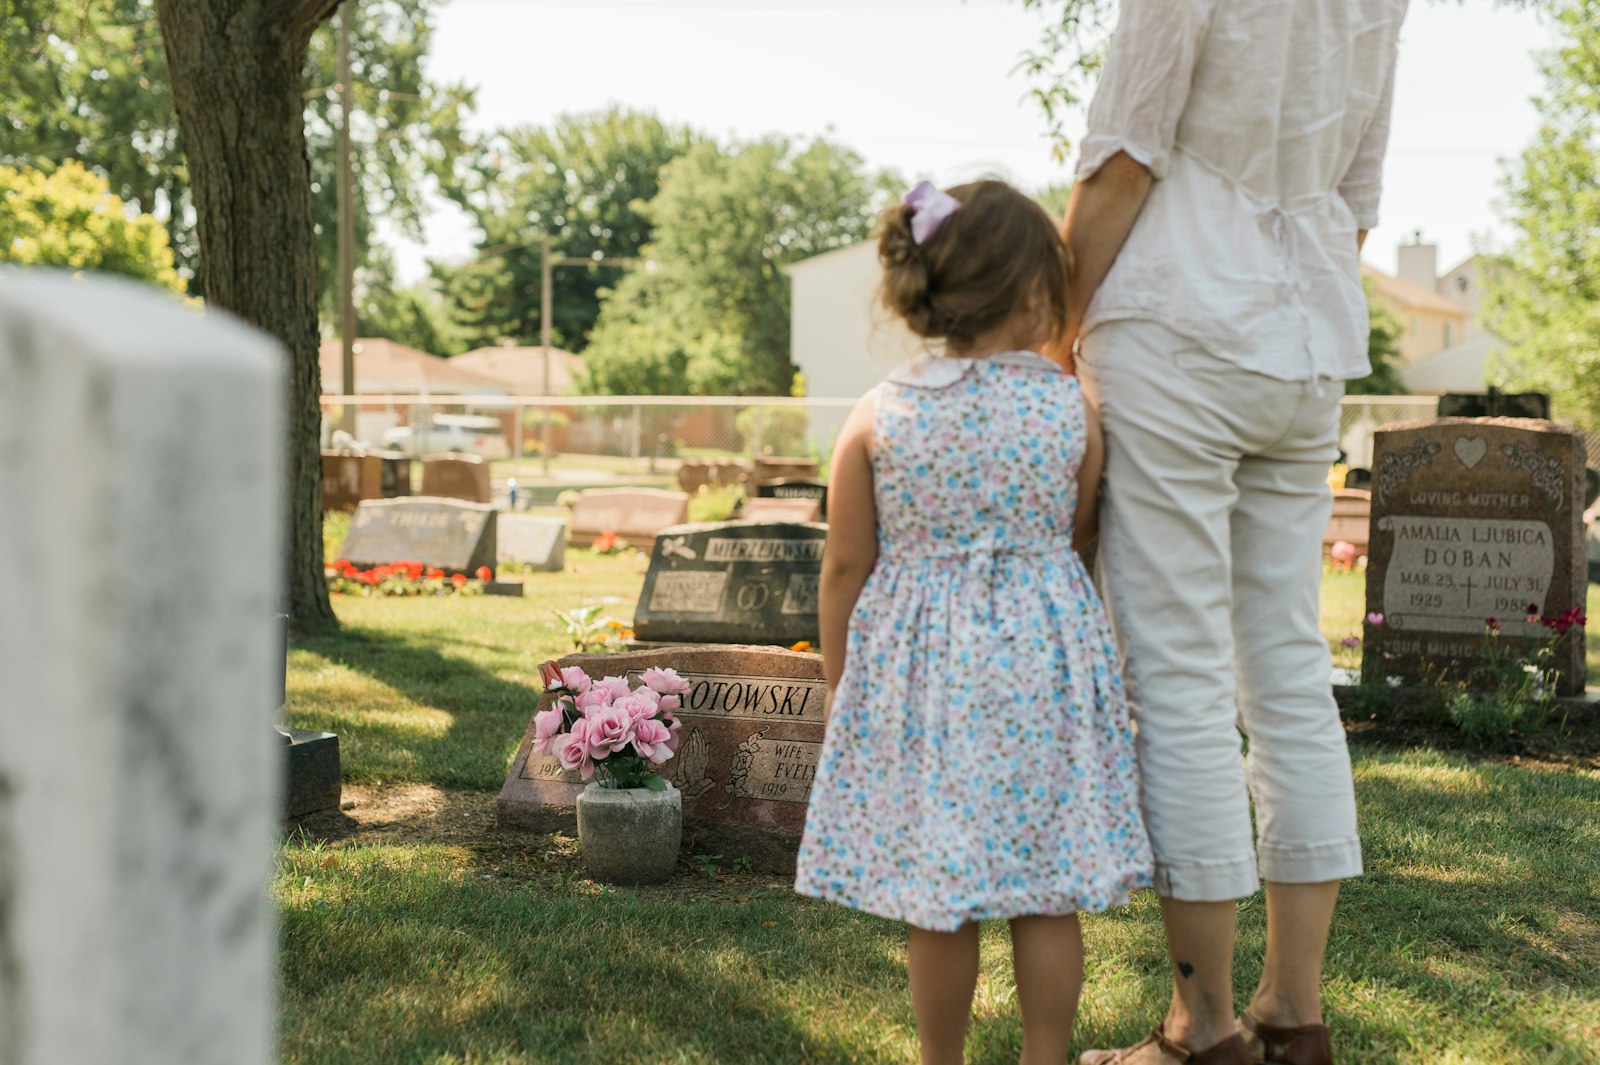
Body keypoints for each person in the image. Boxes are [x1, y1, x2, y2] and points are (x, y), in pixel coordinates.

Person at [1058, 2, 1410, 1064]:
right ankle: (1292, 1015)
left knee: (1176, 676)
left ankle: (1200, 1027)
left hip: (1177, 321)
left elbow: (1123, 159)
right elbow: (1357, 197)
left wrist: (1050, 335)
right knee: (1290, 666)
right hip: (1305, 335)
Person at [794, 178, 1152, 1065]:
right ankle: (1043, 1056)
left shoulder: (878, 414)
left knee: (936, 892)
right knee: (1045, 890)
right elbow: (1077, 527)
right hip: (1042, 660)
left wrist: (844, 684)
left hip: (924, 677)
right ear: (1035, 292)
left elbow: (845, 564)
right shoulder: (1072, 407)